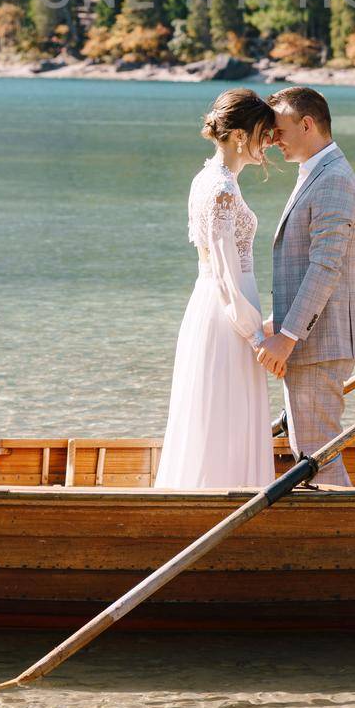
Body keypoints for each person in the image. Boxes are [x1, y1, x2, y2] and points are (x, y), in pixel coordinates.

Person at [154, 88, 278, 489]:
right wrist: (255, 334)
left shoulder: (206, 179)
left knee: (216, 413)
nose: (268, 143)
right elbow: (225, 273)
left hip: (214, 306)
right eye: (263, 133)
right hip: (229, 313)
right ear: (241, 135)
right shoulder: (222, 189)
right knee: (228, 413)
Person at [255, 86, 355, 487]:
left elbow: (325, 268)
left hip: (319, 344)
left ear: (307, 124)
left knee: (318, 458)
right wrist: (275, 323)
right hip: (314, 339)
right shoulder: (317, 172)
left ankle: (352, 542)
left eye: (279, 130)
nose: (272, 140)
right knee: (312, 453)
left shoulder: (333, 178)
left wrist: (287, 336)